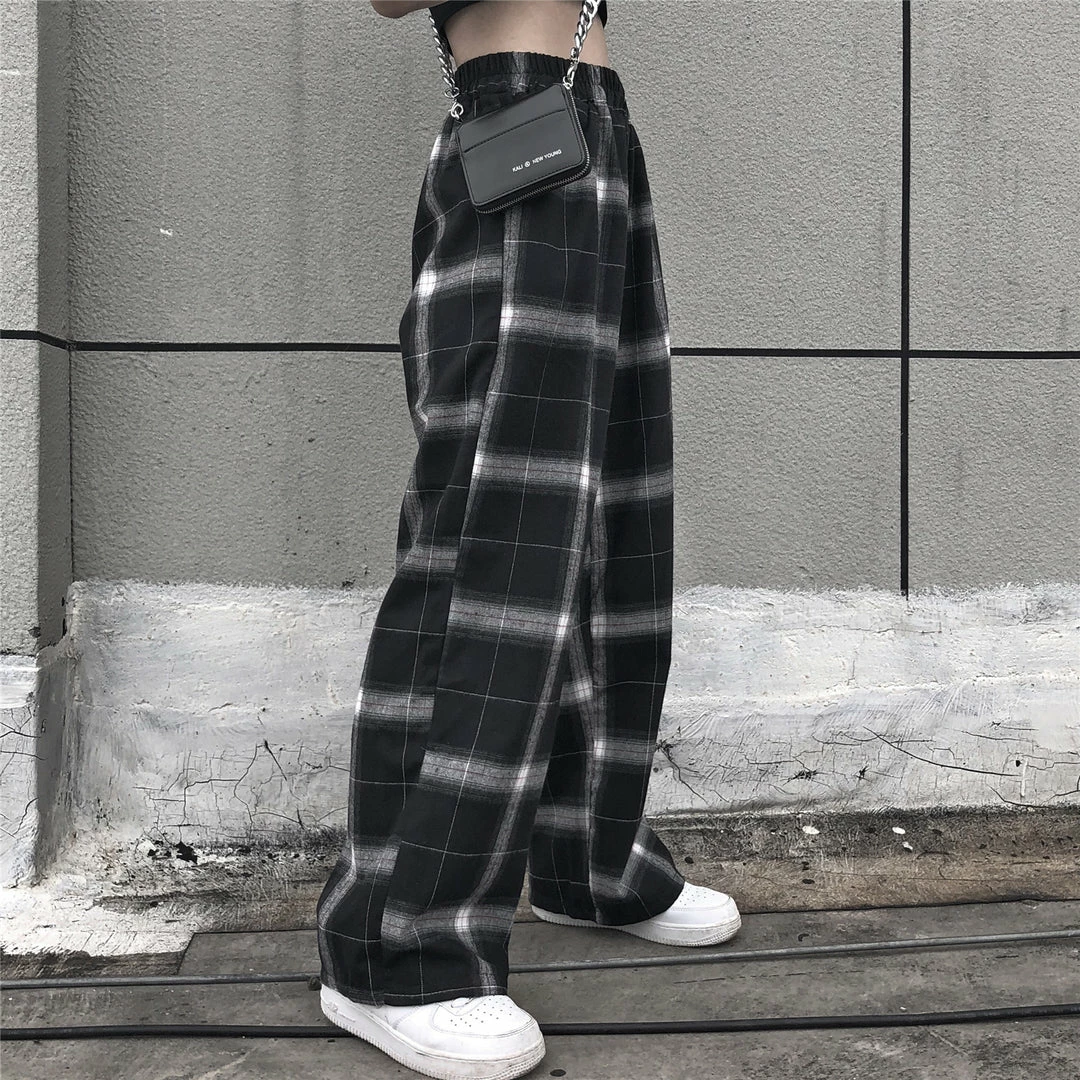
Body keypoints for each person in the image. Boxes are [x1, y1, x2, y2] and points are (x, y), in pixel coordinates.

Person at [316, 3, 742, 1077]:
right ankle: (393, 946)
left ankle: (583, 855)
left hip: (594, 128)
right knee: (485, 538)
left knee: (607, 525)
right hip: (515, 116)